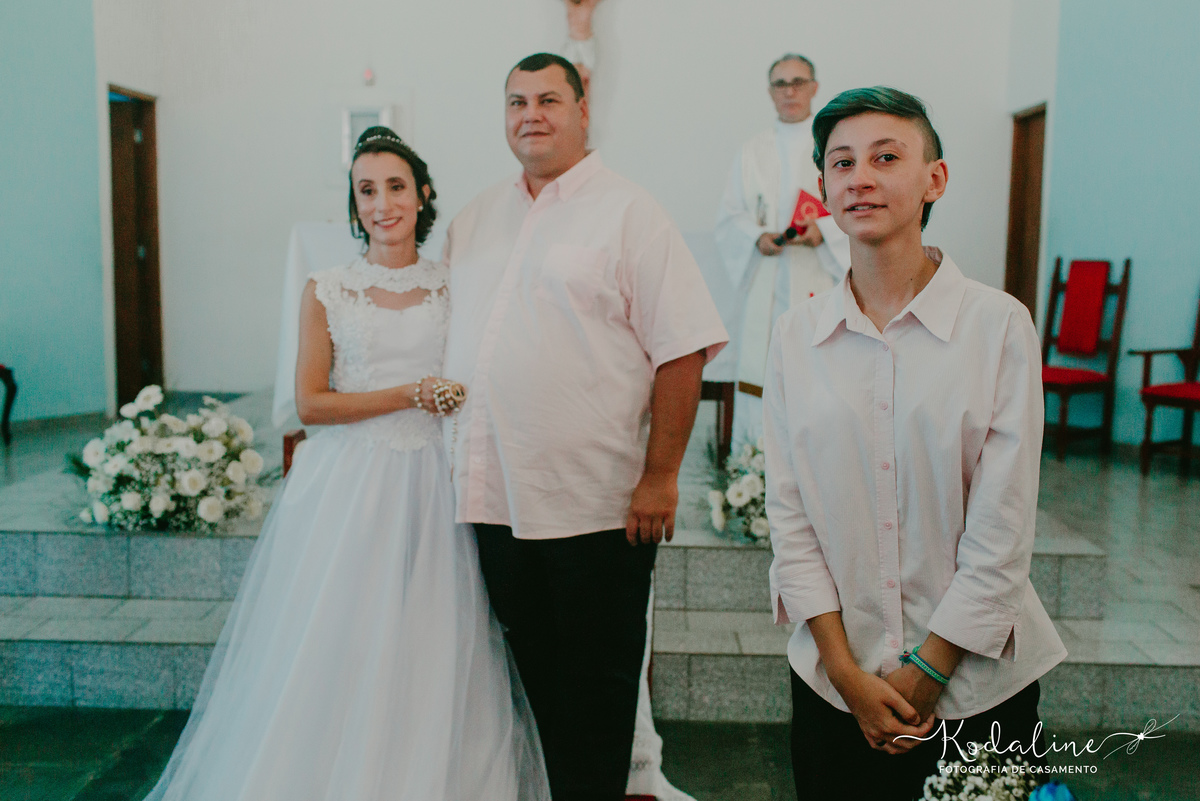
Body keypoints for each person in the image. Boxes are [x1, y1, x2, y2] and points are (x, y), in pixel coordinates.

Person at [141, 127, 549, 801]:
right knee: (339, 644)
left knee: (430, 644)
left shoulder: (456, 285)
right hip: (351, 489)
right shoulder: (327, 289)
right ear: (353, 203)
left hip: (435, 487)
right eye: (366, 190)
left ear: (422, 194)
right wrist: (409, 394)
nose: (381, 203)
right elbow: (311, 402)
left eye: (395, 186)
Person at [763, 88, 1067, 800]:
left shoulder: (997, 326)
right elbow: (791, 515)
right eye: (841, 163)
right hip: (834, 683)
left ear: (935, 179)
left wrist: (928, 671)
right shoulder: (795, 338)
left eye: (886, 157)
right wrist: (844, 672)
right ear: (823, 190)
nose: (860, 177)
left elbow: (1002, 526)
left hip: (978, 684)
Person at [442, 54, 727, 801]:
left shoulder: (630, 212)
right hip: (493, 498)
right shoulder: (473, 219)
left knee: (597, 696)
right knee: (532, 684)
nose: (530, 114)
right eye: (515, 102)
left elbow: (682, 348)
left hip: (595, 506)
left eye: (547, 99)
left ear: (581, 109)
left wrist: (661, 475)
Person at [716, 53, 851, 447]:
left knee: (821, 371)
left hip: (820, 278)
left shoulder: (834, 144)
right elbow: (730, 215)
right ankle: (754, 473)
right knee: (765, 368)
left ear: (815, 87)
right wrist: (755, 237)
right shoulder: (751, 151)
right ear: (770, 92)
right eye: (781, 84)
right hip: (768, 284)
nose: (790, 91)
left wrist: (823, 232)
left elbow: (856, 206)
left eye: (798, 82)